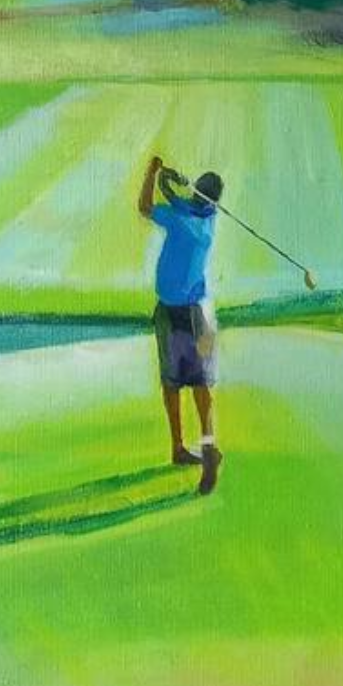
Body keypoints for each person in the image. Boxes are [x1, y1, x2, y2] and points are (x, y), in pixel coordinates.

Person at [139, 155, 224, 495]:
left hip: (190, 313)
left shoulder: (184, 220)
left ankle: (207, 450)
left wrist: (155, 173)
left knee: (193, 383)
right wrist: (173, 179)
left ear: (198, 194)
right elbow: (178, 198)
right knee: (176, 382)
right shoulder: (207, 216)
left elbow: (145, 206)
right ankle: (180, 448)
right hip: (179, 311)